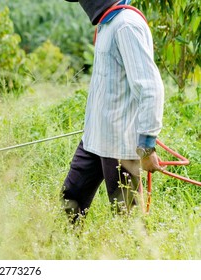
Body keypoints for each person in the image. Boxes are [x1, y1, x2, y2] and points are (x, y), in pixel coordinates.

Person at [61, 0, 165, 222]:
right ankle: (64, 253)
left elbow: (150, 87)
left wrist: (146, 148)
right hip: (94, 139)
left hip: (120, 146)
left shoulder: (126, 24)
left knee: (127, 222)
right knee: (69, 204)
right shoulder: (108, 23)